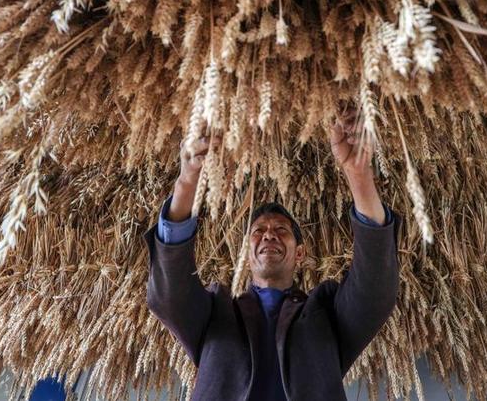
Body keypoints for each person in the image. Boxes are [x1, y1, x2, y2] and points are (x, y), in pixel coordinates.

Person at [142, 107, 400, 400]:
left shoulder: (325, 313)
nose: (269, 234)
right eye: (258, 231)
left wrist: (359, 175)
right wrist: (186, 183)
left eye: (282, 230)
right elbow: (168, 294)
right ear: (247, 253)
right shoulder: (216, 312)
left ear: (299, 253)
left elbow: (374, 291)